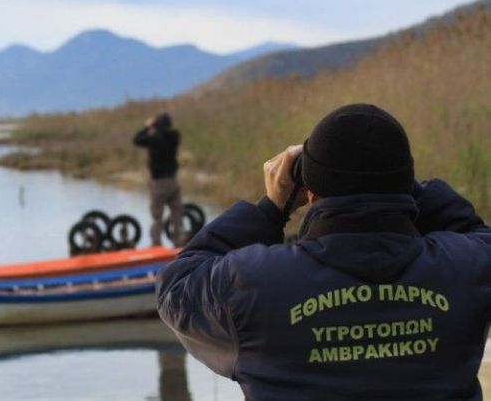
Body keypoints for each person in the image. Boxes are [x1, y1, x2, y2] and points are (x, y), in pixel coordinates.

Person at [156, 103, 491, 400]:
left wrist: (270, 209)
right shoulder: (466, 268)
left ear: (311, 192)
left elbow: (177, 286)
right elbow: (478, 235)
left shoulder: (253, 284)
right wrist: (407, 187)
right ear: (405, 182)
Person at [133, 113, 184, 246]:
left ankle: (156, 244)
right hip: (173, 181)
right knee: (177, 213)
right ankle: (178, 242)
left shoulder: (153, 139)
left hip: (158, 183)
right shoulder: (174, 137)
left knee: (157, 216)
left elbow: (137, 140)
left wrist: (147, 127)